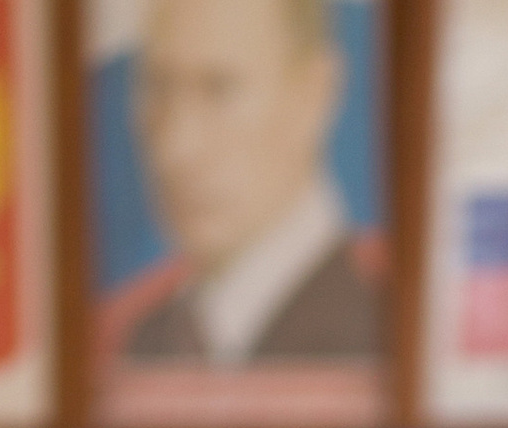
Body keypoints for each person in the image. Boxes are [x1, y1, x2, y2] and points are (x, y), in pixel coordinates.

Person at [112, 0, 379, 370]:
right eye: (158, 87)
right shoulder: (142, 338)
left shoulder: (375, 331)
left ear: (314, 94)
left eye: (219, 89)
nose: (175, 147)